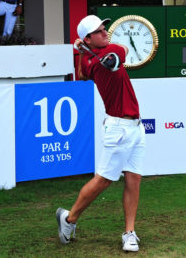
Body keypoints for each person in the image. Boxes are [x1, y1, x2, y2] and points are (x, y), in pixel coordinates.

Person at [56, 15, 146, 252]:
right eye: (99, 31)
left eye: (104, 29)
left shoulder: (92, 58)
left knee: (134, 178)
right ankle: (69, 218)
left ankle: (129, 232)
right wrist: (89, 52)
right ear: (88, 38)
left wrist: (82, 49)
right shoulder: (97, 60)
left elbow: (89, 71)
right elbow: (119, 53)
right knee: (104, 180)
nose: (106, 33)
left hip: (136, 126)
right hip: (118, 128)